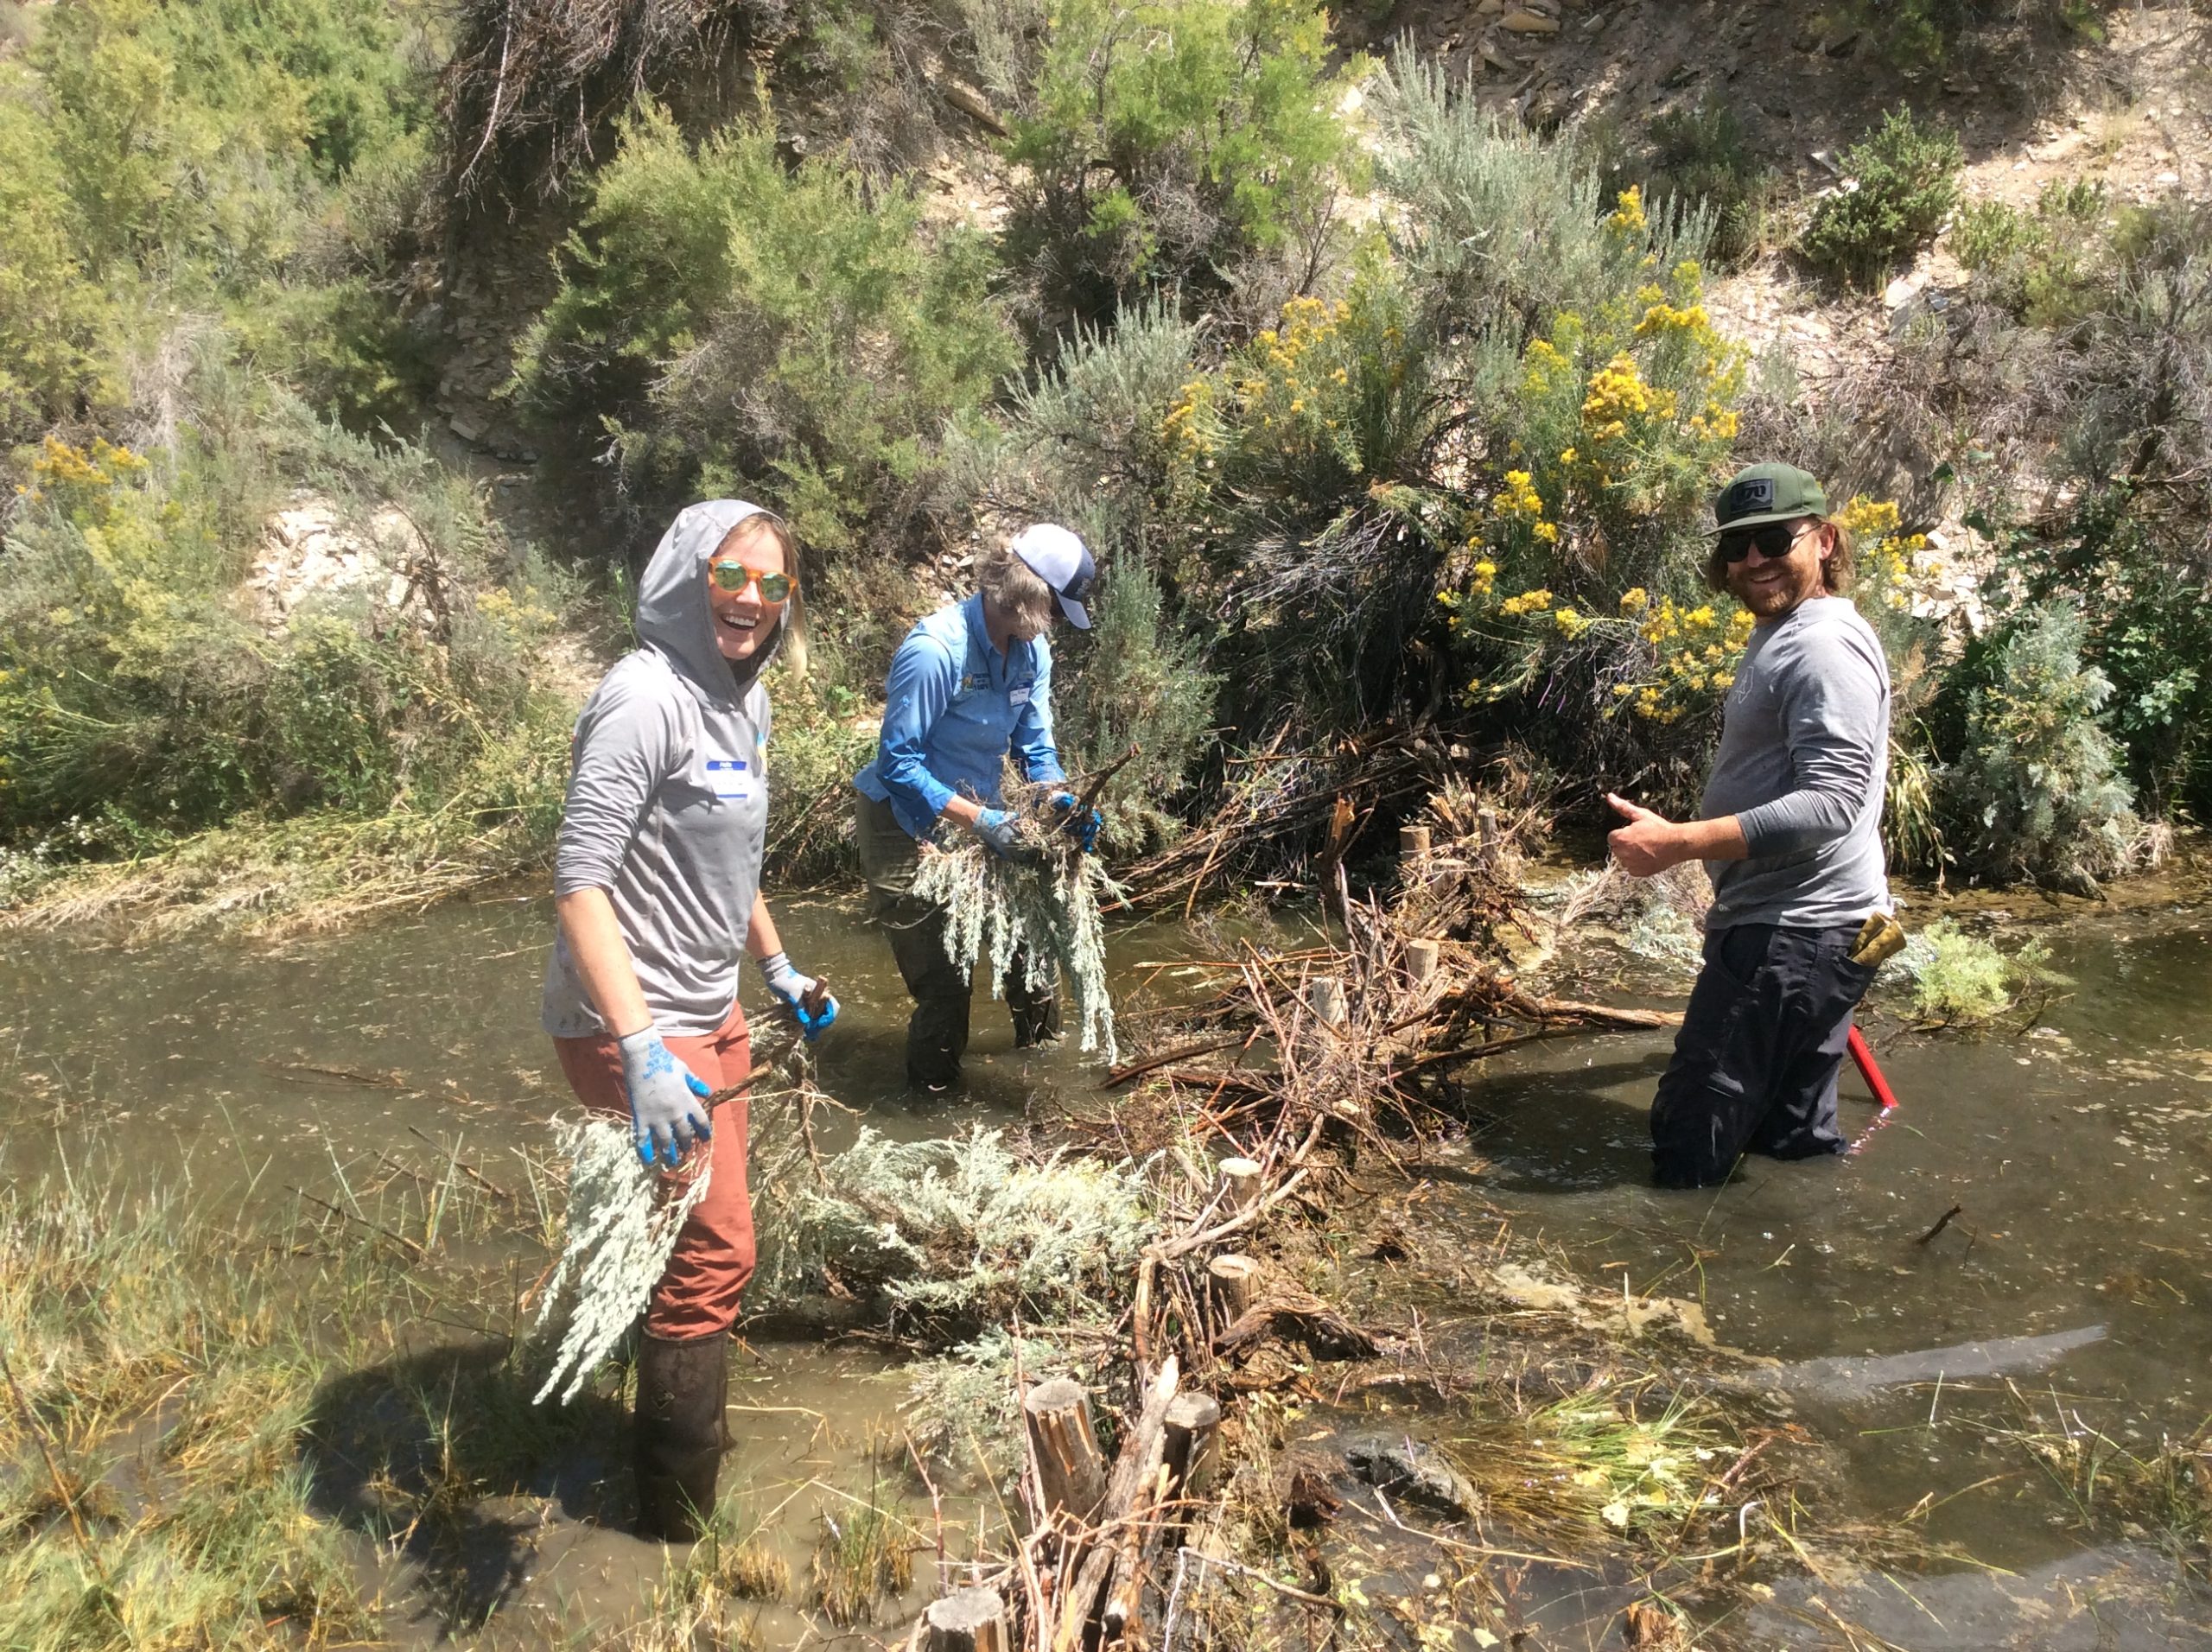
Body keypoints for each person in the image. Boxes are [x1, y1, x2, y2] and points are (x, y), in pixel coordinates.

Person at [541, 499, 837, 1541]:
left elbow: (733, 859)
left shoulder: (743, 703)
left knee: (697, 1244)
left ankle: (664, 1421)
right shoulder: (643, 697)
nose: (750, 599)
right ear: (684, 575)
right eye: (730, 575)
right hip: (632, 1021)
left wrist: (780, 963)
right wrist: (639, 1050)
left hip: (713, 1010)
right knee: (718, 1251)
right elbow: (579, 883)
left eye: (771, 584)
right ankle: (671, 1521)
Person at [1604, 462, 1892, 1188]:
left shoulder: (1821, 646)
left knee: (1689, 1139)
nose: (1754, 561)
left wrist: (1676, 844)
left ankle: (1680, 1286)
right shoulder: (1790, 630)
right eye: (1738, 547)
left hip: (1791, 936)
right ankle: (1803, 1273)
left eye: (1772, 539)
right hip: (1822, 934)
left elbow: (1831, 804)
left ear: (1823, 540)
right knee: (1787, 1140)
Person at [853, 524, 1103, 1090]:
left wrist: (1064, 805)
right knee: (945, 985)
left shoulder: (1031, 653)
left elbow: (1036, 750)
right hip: (904, 822)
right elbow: (898, 765)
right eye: (1057, 611)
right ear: (1025, 594)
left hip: (981, 813)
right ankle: (932, 1111)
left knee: (1034, 960)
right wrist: (984, 821)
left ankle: (1043, 1090)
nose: (1058, 624)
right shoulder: (935, 651)